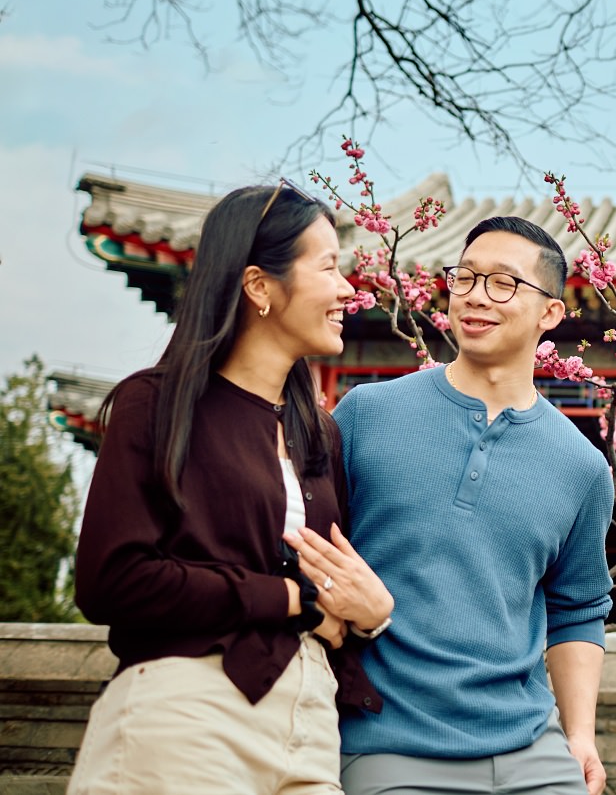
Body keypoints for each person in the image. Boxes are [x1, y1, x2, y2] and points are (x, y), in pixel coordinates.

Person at [69, 180, 394, 795]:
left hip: (311, 727)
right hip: (187, 712)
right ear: (259, 286)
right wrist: (293, 599)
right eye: (328, 266)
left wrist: (371, 616)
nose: (351, 288)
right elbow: (115, 579)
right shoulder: (156, 405)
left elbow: (338, 593)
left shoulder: (321, 436)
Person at [307, 216, 614, 795]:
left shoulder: (581, 466)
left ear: (550, 313)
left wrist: (580, 736)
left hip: (531, 746)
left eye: (503, 283)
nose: (476, 296)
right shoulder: (366, 415)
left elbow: (577, 609)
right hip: (391, 743)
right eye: (465, 277)